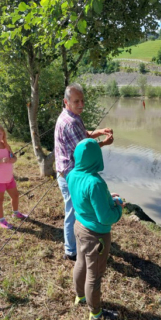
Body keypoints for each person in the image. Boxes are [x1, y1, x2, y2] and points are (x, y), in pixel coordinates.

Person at [55, 83, 114, 261]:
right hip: (70, 174)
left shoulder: (72, 116)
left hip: (68, 172)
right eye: (76, 101)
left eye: (82, 100)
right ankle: (71, 251)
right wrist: (104, 143)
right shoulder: (71, 122)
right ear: (66, 101)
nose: (81, 104)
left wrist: (98, 133)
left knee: (77, 210)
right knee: (73, 211)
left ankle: (79, 242)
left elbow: (84, 136)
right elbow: (83, 153)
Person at [68, 138, 124, 320]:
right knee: (94, 275)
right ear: (97, 158)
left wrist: (108, 197)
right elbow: (106, 217)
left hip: (79, 226)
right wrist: (118, 206)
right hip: (96, 236)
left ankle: (80, 297)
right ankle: (96, 313)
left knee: (80, 263)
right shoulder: (95, 183)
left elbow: (86, 199)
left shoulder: (72, 174)